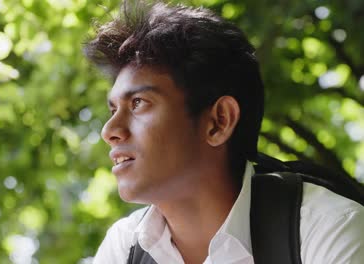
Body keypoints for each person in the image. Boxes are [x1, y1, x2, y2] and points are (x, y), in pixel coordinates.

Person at [83, 1, 364, 263]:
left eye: (138, 103)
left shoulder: (329, 228)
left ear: (219, 121)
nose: (110, 131)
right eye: (112, 110)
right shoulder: (124, 248)